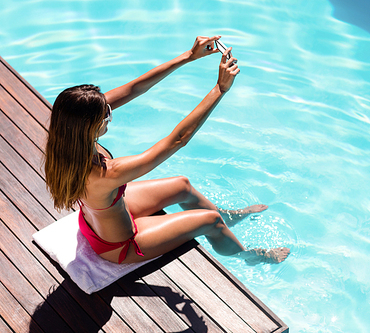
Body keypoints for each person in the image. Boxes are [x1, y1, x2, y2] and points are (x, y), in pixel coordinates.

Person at [44, 35, 290, 265]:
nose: (110, 115)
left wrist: (188, 56)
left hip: (103, 217)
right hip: (121, 245)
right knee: (211, 222)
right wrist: (220, 89)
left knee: (181, 185)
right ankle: (249, 256)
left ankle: (228, 217)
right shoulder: (106, 173)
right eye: (105, 114)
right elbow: (178, 140)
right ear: (89, 126)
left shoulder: (67, 136)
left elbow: (134, 89)